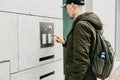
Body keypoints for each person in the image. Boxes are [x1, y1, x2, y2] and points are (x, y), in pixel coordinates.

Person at [53, 0, 103, 80]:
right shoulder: (88, 22)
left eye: (66, 7)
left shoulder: (81, 26)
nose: (66, 11)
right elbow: (87, 47)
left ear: (73, 5)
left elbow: (81, 61)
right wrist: (65, 42)